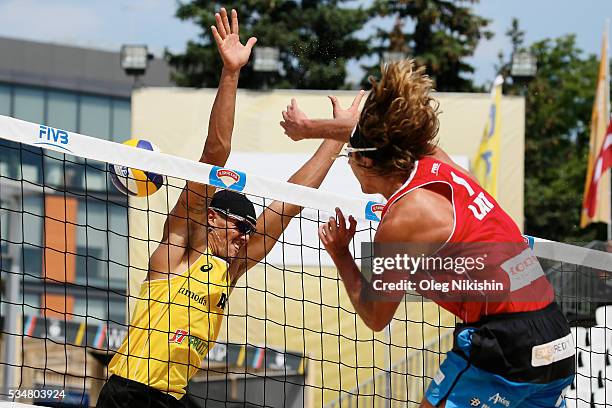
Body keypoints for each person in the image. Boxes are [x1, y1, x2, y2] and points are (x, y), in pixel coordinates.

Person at [280, 60, 575, 408]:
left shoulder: (405, 219)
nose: (348, 161)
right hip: (555, 337)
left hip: (505, 343)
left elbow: (375, 317)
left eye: (350, 155)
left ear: (369, 162)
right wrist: (309, 127)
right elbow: (379, 134)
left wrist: (340, 254)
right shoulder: (436, 162)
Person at [97, 8, 351, 408]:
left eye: (251, 230)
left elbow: (290, 202)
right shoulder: (180, 247)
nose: (246, 236)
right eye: (240, 227)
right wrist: (231, 72)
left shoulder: (231, 269)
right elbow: (215, 152)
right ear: (212, 218)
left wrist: (337, 138)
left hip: (171, 398)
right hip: (128, 393)